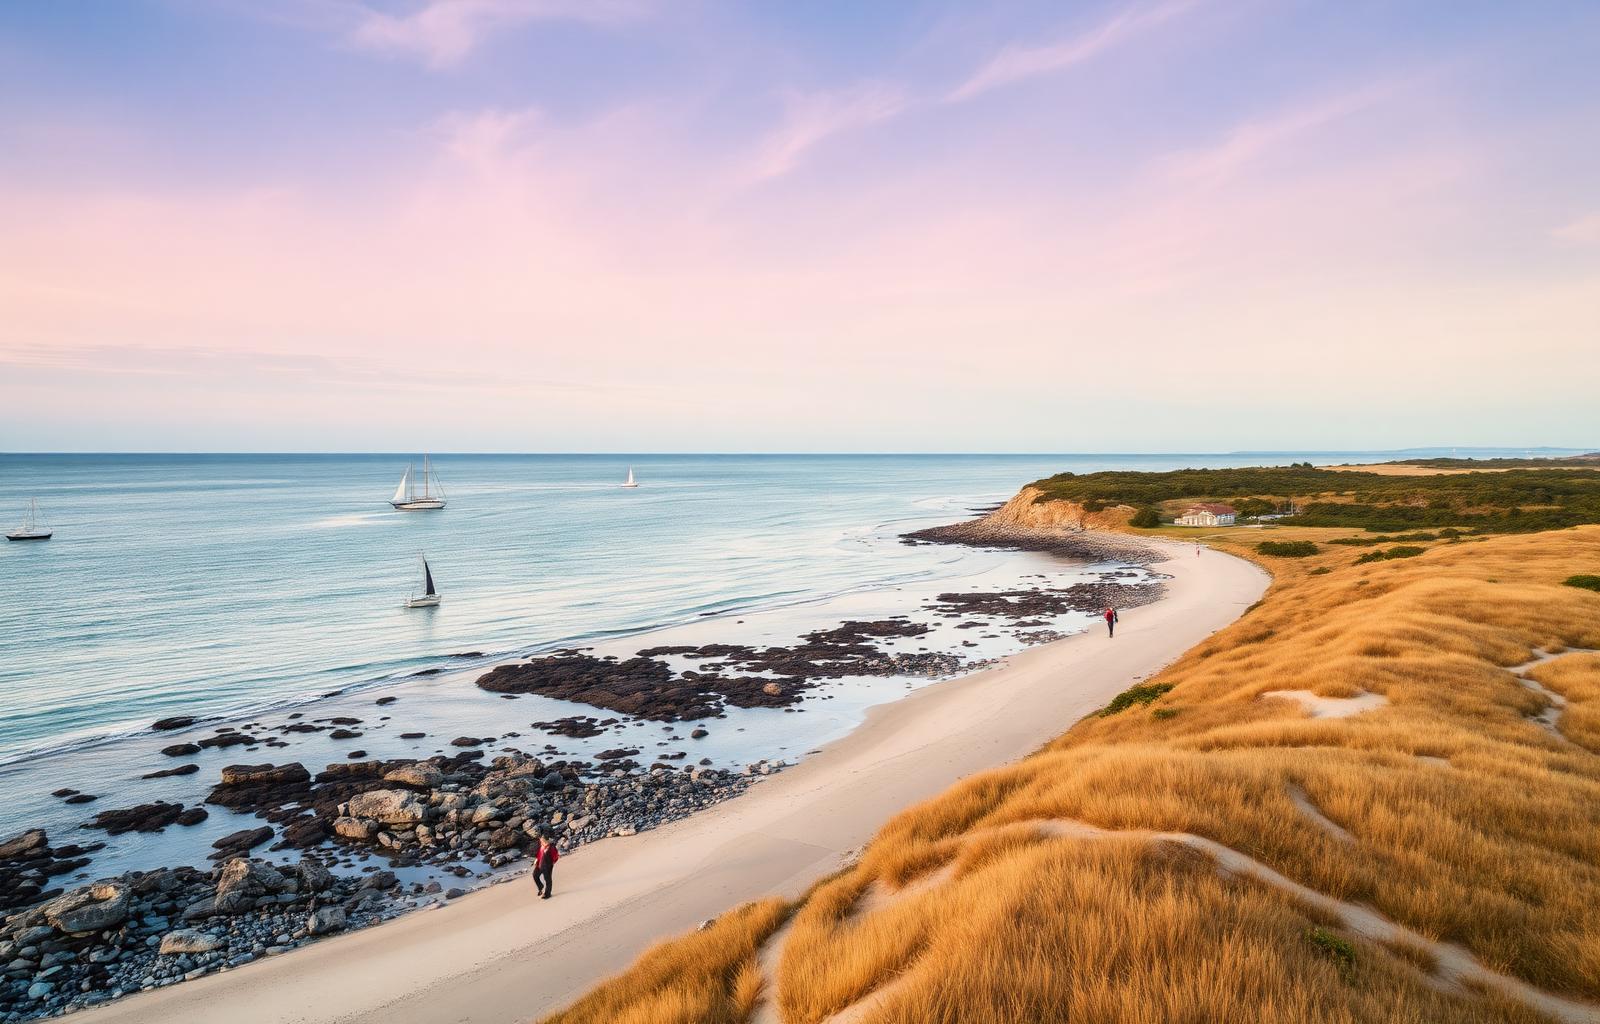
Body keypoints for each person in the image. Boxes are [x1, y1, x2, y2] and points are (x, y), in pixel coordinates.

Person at [533, 834, 560, 900]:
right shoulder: (541, 846)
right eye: (541, 840)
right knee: (535, 875)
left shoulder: (551, 847)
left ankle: (547, 894)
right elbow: (539, 854)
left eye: (542, 840)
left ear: (546, 840)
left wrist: (551, 863)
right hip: (539, 865)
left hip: (547, 866)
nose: (541, 841)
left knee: (547, 879)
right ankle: (540, 886)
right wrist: (536, 859)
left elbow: (556, 856)